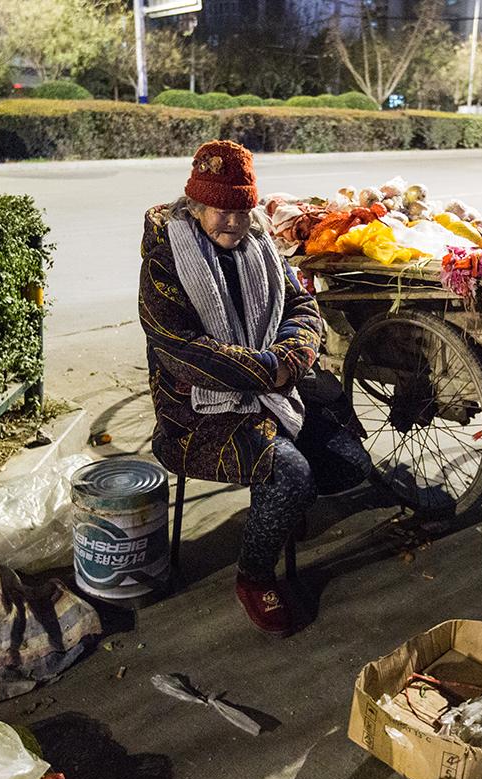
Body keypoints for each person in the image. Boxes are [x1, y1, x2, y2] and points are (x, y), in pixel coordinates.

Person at [138, 140, 370, 637]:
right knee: (292, 476)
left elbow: (301, 308)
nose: (235, 224)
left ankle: (280, 512)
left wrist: (292, 356)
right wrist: (272, 370)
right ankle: (254, 576)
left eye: (243, 211)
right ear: (197, 206)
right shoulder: (165, 257)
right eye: (223, 211)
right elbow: (180, 350)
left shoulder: (262, 244)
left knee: (351, 464)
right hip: (197, 413)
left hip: (272, 391)